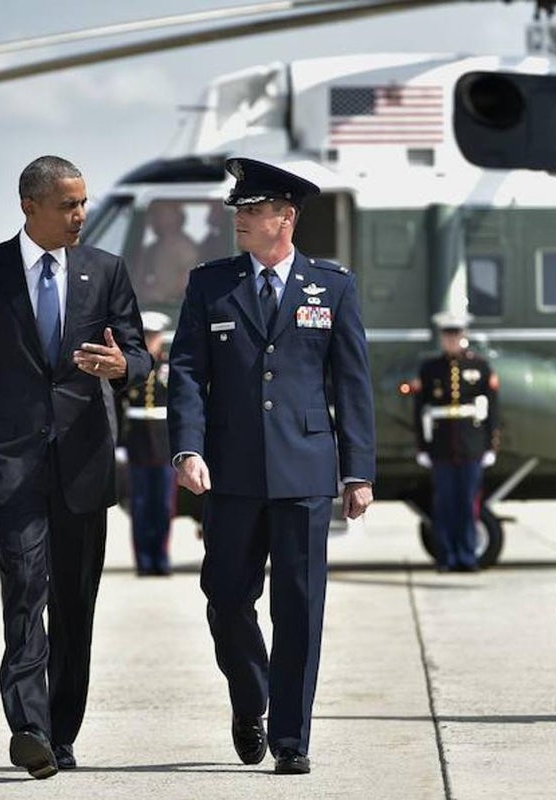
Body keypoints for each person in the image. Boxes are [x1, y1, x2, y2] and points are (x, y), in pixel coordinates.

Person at [0, 156, 152, 778]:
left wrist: (123, 367)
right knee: (26, 591)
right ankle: (28, 728)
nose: (81, 214)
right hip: (10, 464)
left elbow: (138, 354)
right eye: (68, 205)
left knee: (75, 606)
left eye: (83, 202)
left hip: (83, 463)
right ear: (30, 206)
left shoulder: (107, 269)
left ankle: (61, 731)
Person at [168, 156, 376, 775]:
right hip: (230, 471)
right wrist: (187, 447)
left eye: (254, 210)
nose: (240, 219)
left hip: (305, 472)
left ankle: (290, 738)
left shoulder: (332, 286)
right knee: (225, 596)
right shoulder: (210, 285)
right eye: (239, 210)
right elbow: (187, 372)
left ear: (286, 218)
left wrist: (358, 472)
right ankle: (250, 694)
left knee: (300, 608)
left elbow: (352, 383)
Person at [413, 309, 500, 572]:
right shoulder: (430, 369)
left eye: (456, 334)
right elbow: (420, 409)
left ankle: (467, 555)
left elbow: (492, 409)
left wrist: (490, 444)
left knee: (468, 504)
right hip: (441, 446)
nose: (452, 339)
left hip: (471, 445)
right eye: (447, 334)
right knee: (445, 505)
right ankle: (447, 557)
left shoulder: (480, 367)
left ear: (464, 335)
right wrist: (422, 446)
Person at [120, 310, 176, 576]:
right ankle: (143, 561)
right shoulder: (132, 367)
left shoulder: (169, 367)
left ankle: (161, 559)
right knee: (140, 506)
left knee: (164, 506)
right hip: (138, 444)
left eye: (155, 336)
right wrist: (120, 444)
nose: (151, 341)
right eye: (147, 336)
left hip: (165, 445)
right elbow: (120, 405)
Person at [133, 200, 199, 306]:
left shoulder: (184, 248)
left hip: (169, 307)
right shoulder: (153, 248)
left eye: (159, 214)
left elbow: (187, 282)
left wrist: (163, 295)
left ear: (175, 217)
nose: (153, 219)